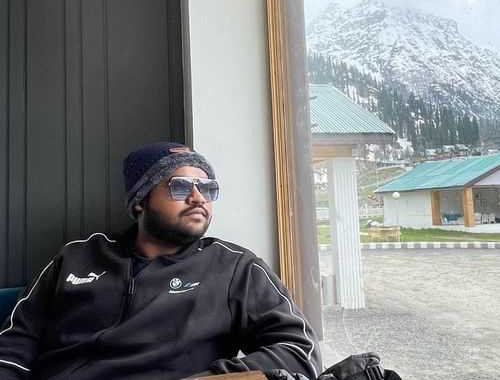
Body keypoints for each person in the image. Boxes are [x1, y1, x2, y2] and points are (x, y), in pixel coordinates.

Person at [0, 142, 322, 380]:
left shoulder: (236, 268)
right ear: (140, 201)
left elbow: (298, 351)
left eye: (208, 189)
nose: (198, 198)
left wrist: (212, 378)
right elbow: (14, 345)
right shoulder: (77, 256)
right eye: (180, 186)